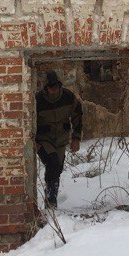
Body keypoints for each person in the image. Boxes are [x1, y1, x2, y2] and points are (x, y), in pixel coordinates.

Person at [34, 70, 83, 208]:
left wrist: (76, 138)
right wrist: (35, 141)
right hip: (44, 139)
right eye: (50, 87)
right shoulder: (38, 100)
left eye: (56, 86)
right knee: (53, 162)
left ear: (60, 85)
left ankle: (51, 197)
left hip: (61, 139)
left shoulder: (68, 97)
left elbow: (77, 116)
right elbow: (29, 120)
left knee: (57, 169)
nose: (53, 90)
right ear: (46, 88)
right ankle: (51, 200)